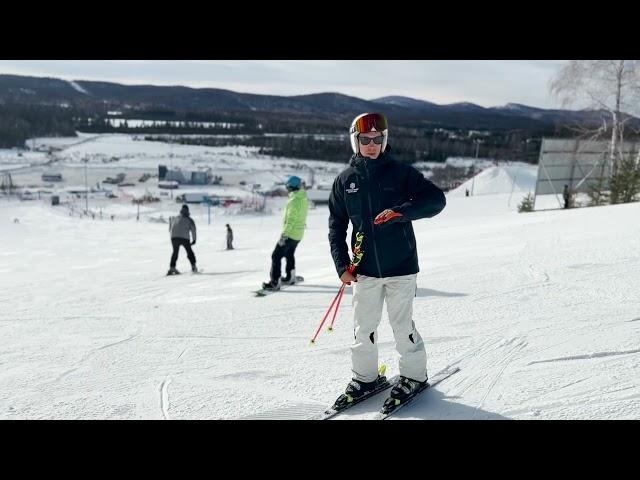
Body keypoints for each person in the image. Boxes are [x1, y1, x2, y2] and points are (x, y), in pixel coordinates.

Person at [328, 113, 446, 409]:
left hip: (401, 267)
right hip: (364, 270)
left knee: (401, 324)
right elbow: (336, 225)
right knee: (363, 328)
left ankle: (414, 377)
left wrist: (402, 211)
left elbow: (435, 200)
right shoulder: (345, 181)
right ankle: (365, 379)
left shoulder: (400, 173)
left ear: (385, 140)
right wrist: (342, 265)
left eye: (377, 139)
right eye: (365, 140)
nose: (371, 144)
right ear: (355, 141)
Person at [261, 175, 309, 291]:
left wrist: (284, 235)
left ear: (290, 187)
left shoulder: (294, 201)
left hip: (290, 234)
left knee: (276, 256)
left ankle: (275, 282)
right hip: (298, 234)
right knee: (289, 254)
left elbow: (291, 220)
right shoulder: (303, 198)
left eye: (287, 186)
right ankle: (290, 277)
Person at [167, 204, 198, 275]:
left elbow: (170, 228)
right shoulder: (189, 219)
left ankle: (172, 267)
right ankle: (193, 266)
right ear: (187, 211)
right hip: (184, 238)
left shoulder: (175, 218)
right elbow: (193, 230)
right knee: (189, 251)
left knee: (175, 252)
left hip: (174, 237)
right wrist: (194, 240)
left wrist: (173, 236)